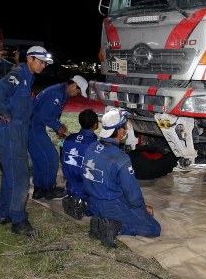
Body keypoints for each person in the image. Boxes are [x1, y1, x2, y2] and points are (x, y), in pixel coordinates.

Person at [0, 45, 52, 236]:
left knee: (11, 174)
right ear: (30, 59)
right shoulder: (18, 74)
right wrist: (6, 113)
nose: (43, 66)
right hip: (12, 130)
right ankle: (18, 219)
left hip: (18, 130)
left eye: (45, 63)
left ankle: (4, 213)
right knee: (21, 176)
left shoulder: (27, 77)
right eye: (40, 61)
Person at [83, 108, 161, 248]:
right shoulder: (121, 158)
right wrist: (141, 208)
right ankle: (113, 227)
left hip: (92, 201)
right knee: (154, 228)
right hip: (110, 205)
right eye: (125, 126)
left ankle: (100, 219)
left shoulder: (92, 146)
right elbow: (133, 197)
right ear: (119, 131)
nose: (126, 129)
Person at [29, 75, 88, 200]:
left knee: (39, 159)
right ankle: (48, 189)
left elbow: (48, 113)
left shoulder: (60, 91)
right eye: (78, 91)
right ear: (73, 85)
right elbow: (44, 116)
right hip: (33, 126)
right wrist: (58, 126)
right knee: (52, 157)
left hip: (33, 125)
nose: (77, 94)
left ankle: (39, 190)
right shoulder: (57, 94)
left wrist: (58, 126)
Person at [60, 109, 99, 219]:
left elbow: (62, 157)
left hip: (70, 183)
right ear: (95, 125)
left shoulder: (68, 139)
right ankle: (83, 204)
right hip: (86, 187)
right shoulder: (94, 145)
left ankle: (75, 199)